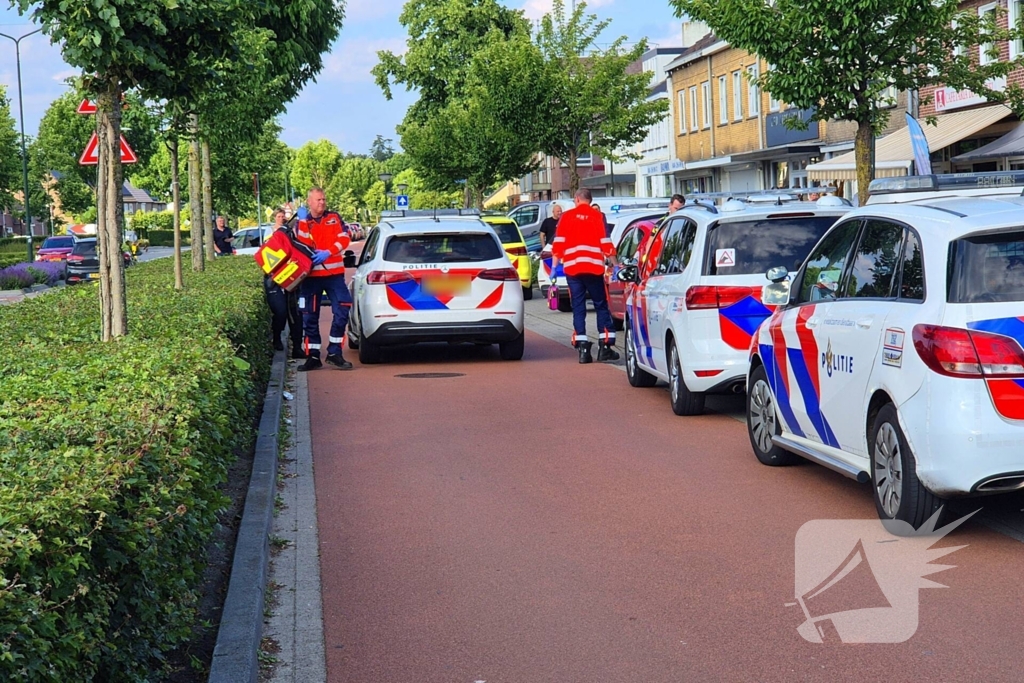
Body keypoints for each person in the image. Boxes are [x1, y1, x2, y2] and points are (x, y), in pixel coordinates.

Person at [551, 188, 619, 364]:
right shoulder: (598, 216)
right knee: (600, 305)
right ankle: (605, 346)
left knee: (578, 306)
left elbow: (559, 243)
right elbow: (605, 242)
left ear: (576, 199)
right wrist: (615, 264)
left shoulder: (566, 217)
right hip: (594, 269)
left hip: (573, 270)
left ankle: (582, 347)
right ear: (590, 200)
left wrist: (554, 267)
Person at [294, 187, 353, 371]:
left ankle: (335, 352)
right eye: (318, 200)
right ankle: (313, 355)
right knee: (309, 316)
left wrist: (329, 251)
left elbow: (345, 237)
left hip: (333, 275)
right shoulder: (302, 222)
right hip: (311, 277)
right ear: (309, 202)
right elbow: (301, 242)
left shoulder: (333, 217)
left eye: (324, 199)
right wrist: (303, 221)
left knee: (343, 308)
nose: (322, 202)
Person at [263, 208, 303, 358]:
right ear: (275, 218)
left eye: (283, 216)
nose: (281, 218)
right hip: (274, 278)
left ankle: (297, 347)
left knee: (296, 314)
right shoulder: (270, 232)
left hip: (291, 275)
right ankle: (277, 337)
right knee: (280, 312)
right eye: (279, 216)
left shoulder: (292, 231)